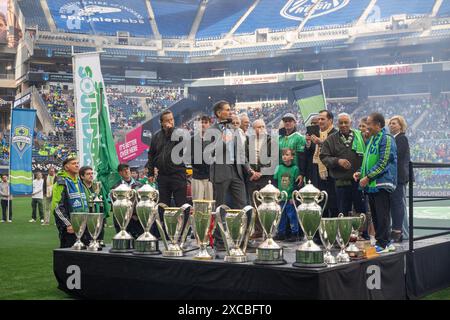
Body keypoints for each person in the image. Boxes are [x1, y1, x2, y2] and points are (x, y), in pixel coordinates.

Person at [354, 112, 397, 253]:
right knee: (376, 215)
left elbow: (384, 161)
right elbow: (368, 159)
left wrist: (368, 177)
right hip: (372, 184)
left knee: (382, 214)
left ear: (378, 125)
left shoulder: (387, 138)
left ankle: (383, 243)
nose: (367, 127)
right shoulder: (372, 139)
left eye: (369, 124)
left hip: (381, 183)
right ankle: (385, 242)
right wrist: (361, 173)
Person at [206, 100, 256, 209]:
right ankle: (220, 226)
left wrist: (248, 169)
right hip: (220, 172)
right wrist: (223, 141)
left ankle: (240, 226)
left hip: (237, 171)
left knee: (242, 204)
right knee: (221, 207)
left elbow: (241, 152)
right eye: (227, 110)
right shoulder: (211, 131)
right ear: (219, 113)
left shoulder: (234, 129)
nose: (230, 112)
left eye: (230, 110)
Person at [320, 113, 366, 216]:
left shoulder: (360, 137)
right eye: (341, 123)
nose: (344, 125)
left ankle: (363, 232)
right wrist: (338, 161)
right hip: (341, 182)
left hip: (358, 180)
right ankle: (344, 232)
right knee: (343, 212)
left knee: (361, 211)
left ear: (351, 123)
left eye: (346, 122)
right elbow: (324, 157)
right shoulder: (331, 139)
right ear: (337, 124)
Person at [146, 110, 187, 208]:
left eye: (172, 119)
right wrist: (151, 172)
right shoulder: (156, 136)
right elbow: (151, 154)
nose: (170, 122)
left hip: (178, 174)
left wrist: (171, 131)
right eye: (167, 120)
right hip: (163, 176)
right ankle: (163, 224)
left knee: (181, 204)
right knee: (163, 205)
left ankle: (183, 223)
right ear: (162, 122)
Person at [53, 156, 91, 248]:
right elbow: (57, 206)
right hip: (70, 228)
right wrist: (68, 224)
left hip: (84, 225)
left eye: (78, 163)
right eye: (74, 164)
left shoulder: (79, 182)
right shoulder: (61, 182)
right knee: (69, 256)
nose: (77, 165)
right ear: (66, 167)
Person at [246, 119, 273, 239]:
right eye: (258, 127)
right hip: (252, 177)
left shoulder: (271, 140)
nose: (260, 129)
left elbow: (273, 159)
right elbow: (244, 158)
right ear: (253, 129)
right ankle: (258, 230)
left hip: (265, 177)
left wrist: (261, 173)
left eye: (262, 126)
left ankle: (268, 230)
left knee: (267, 205)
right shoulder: (248, 141)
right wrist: (252, 172)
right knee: (255, 205)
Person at [310, 110, 338, 217]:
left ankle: (334, 231)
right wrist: (309, 144)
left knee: (333, 204)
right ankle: (322, 231)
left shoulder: (335, 133)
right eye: (319, 119)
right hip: (318, 173)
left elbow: (336, 150)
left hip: (332, 174)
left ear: (330, 120)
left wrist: (321, 143)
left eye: (323, 119)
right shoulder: (317, 133)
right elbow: (311, 153)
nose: (320, 121)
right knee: (321, 204)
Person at [388, 115, 411, 242]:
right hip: (393, 177)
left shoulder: (402, 138)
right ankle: (398, 231)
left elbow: (397, 156)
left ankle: (401, 233)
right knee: (395, 205)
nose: (391, 125)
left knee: (398, 204)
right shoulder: (392, 138)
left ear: (401, 126)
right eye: (390, 123)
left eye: (394, 123)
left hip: (399, 177)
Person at [273, 148, 300, 242]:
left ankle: (294, 233)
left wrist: (293, 197)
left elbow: (297, 184)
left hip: (290, 198)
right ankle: (281, 233)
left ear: (292, 157)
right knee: (281, 216)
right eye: (283, 155)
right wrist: (276, 196)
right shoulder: (279, 167)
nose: (284, 156)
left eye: (287, 155)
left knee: (292, 215)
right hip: (281, 198)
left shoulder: (295, 169)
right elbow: (275, 182)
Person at [112, 163, 143, 239]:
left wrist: (136, 215)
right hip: (123, 217)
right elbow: (116, 204)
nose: (127, 172)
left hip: (137, 218)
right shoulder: (116, 187)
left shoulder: (140, 185)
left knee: (138, 240)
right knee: (123, 240)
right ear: (120, 173)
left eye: (128, 169)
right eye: (124, 170)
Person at [278, 113, 306, 187]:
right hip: (282, 174)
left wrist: (302, 174)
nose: (287, 123)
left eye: (290, 121)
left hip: (295, 174)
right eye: (285, 121)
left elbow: (302, 157)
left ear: (295, 122)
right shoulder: (279, 139)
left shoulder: (299, 138)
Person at [190, 115, 213, 200]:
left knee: (210, 204)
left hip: (210, 177)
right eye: (201, 123)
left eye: (205, 122)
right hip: (197, 176)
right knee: (197, 204)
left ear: (209, 124)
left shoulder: (214, 139)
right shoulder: (192, 140)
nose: (203, 125)